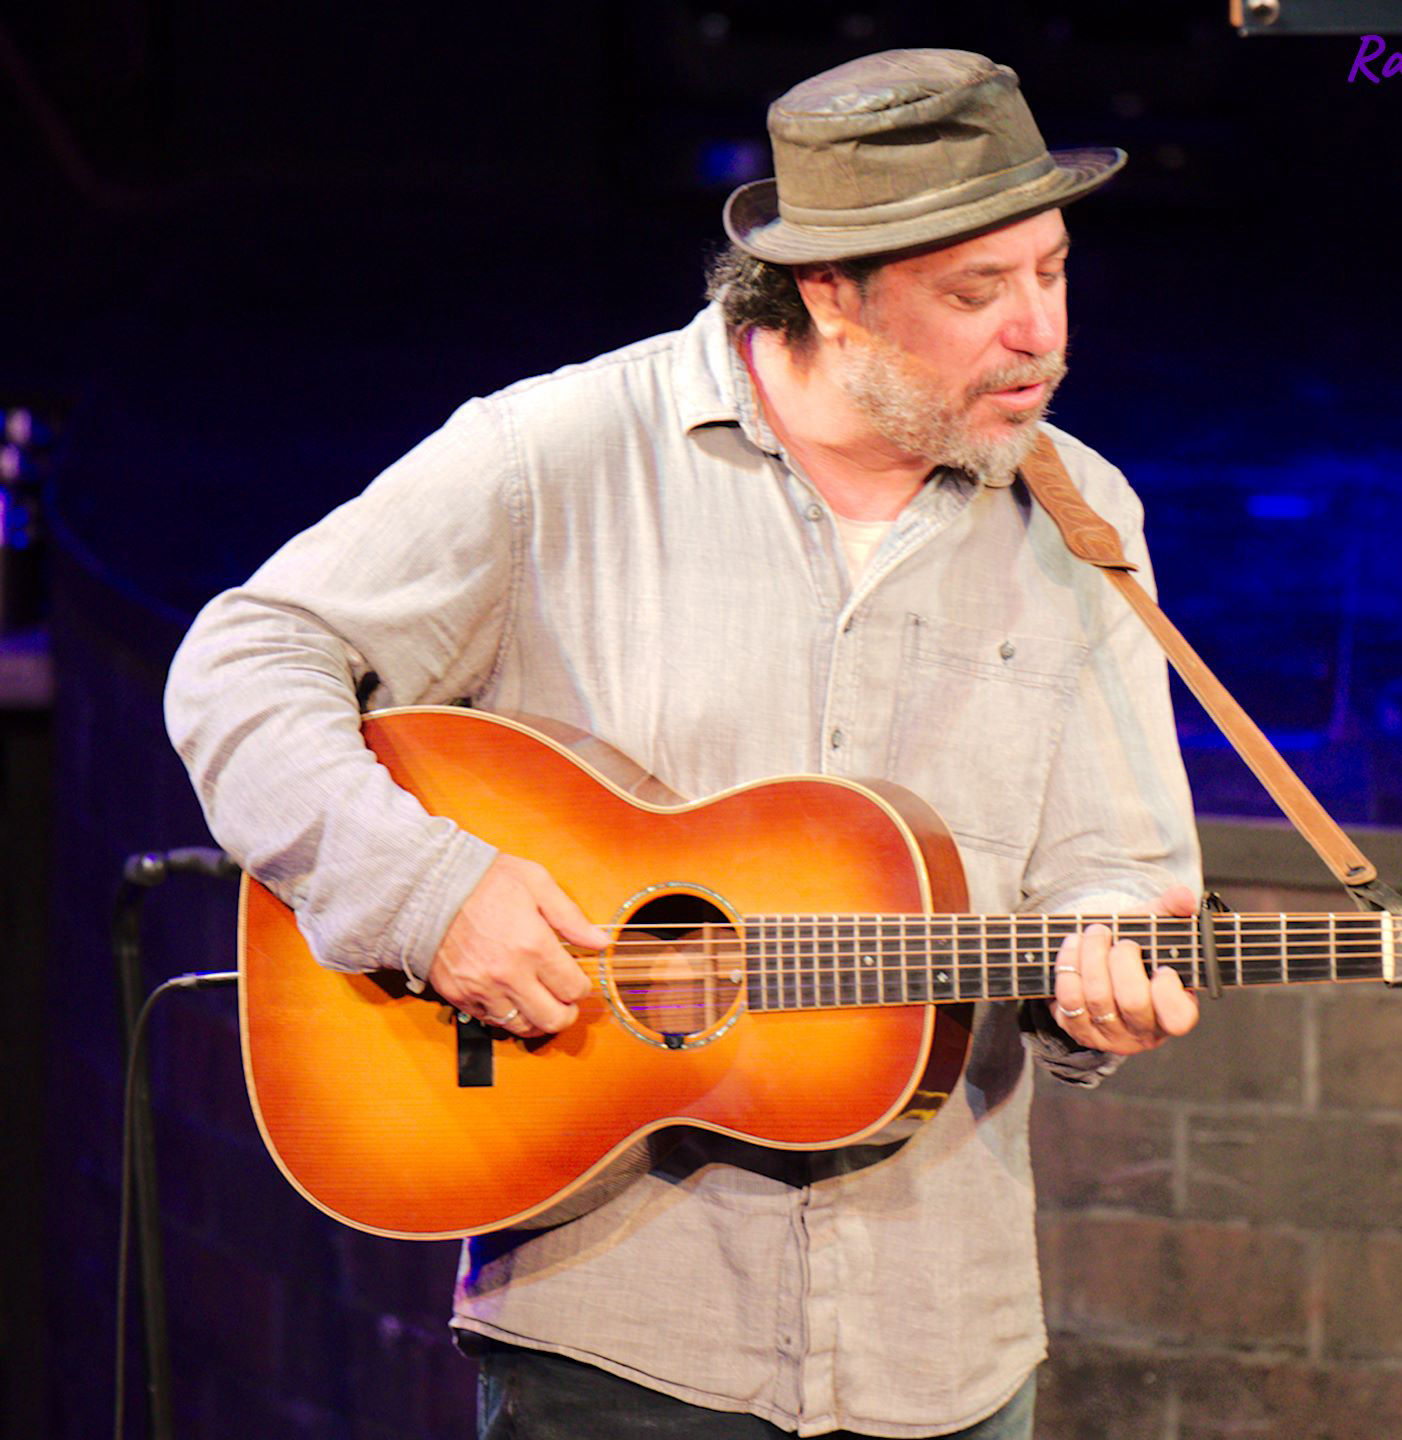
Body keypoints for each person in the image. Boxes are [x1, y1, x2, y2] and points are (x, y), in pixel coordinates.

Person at [166, 48, 1202, 1440]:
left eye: (1052, 272)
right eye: (977, 292)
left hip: (942, 1350)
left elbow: (1117, 877)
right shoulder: (560, 455)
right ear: (831, 291)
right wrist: (425, 889)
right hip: (614, 1339)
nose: (1039, 333)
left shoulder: (1086, 526)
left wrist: (1104, 987)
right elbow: (245, 659)